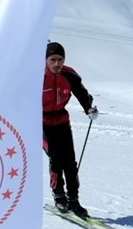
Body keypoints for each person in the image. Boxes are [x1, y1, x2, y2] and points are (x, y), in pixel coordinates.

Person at [42, 41, 98, 217]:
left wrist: (89, 108)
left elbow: (81, 92)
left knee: (70, 163)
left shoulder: (69, 74)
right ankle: (59, 196)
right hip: (40, 123)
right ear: (46, 60)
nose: (57, 64)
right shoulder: (36, 75)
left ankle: (73, 200)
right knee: (56, 158)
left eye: (60, 59)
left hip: (61, 121)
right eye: (53, 60)